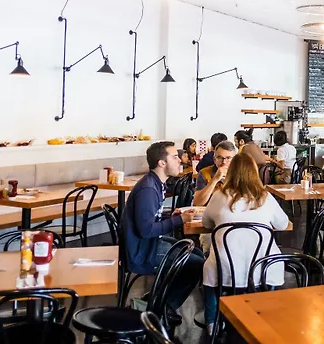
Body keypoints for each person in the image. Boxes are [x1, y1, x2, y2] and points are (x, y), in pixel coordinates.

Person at [202, 152, 289, 333]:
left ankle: (212, 323)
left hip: (226, 266)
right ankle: (265, 315)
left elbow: (206, 223)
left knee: (210, 270)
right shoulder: (265, 197)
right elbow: (282, 224)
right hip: (262, 266)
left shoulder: (218, 196)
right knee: (272, 263)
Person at [121, 141, 204, 312]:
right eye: (174, 157)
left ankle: (155, 299)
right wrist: (179, 220)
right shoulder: (148, 189)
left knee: (196, 252)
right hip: (141, 250)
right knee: (196, 264)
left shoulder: (156, 183)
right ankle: (161, 309)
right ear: (161, 163)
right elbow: (146, 231)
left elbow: (150, 219)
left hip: (149, 242)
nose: (180, 160)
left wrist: (170, 216)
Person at [193, 141, 237, 207]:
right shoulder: (204, 173)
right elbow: (197, 203)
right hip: (210, 210)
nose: (224, 162)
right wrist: (215, 179)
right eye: (219, 157)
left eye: (228, 158)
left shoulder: (240, 173)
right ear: (214, 159)